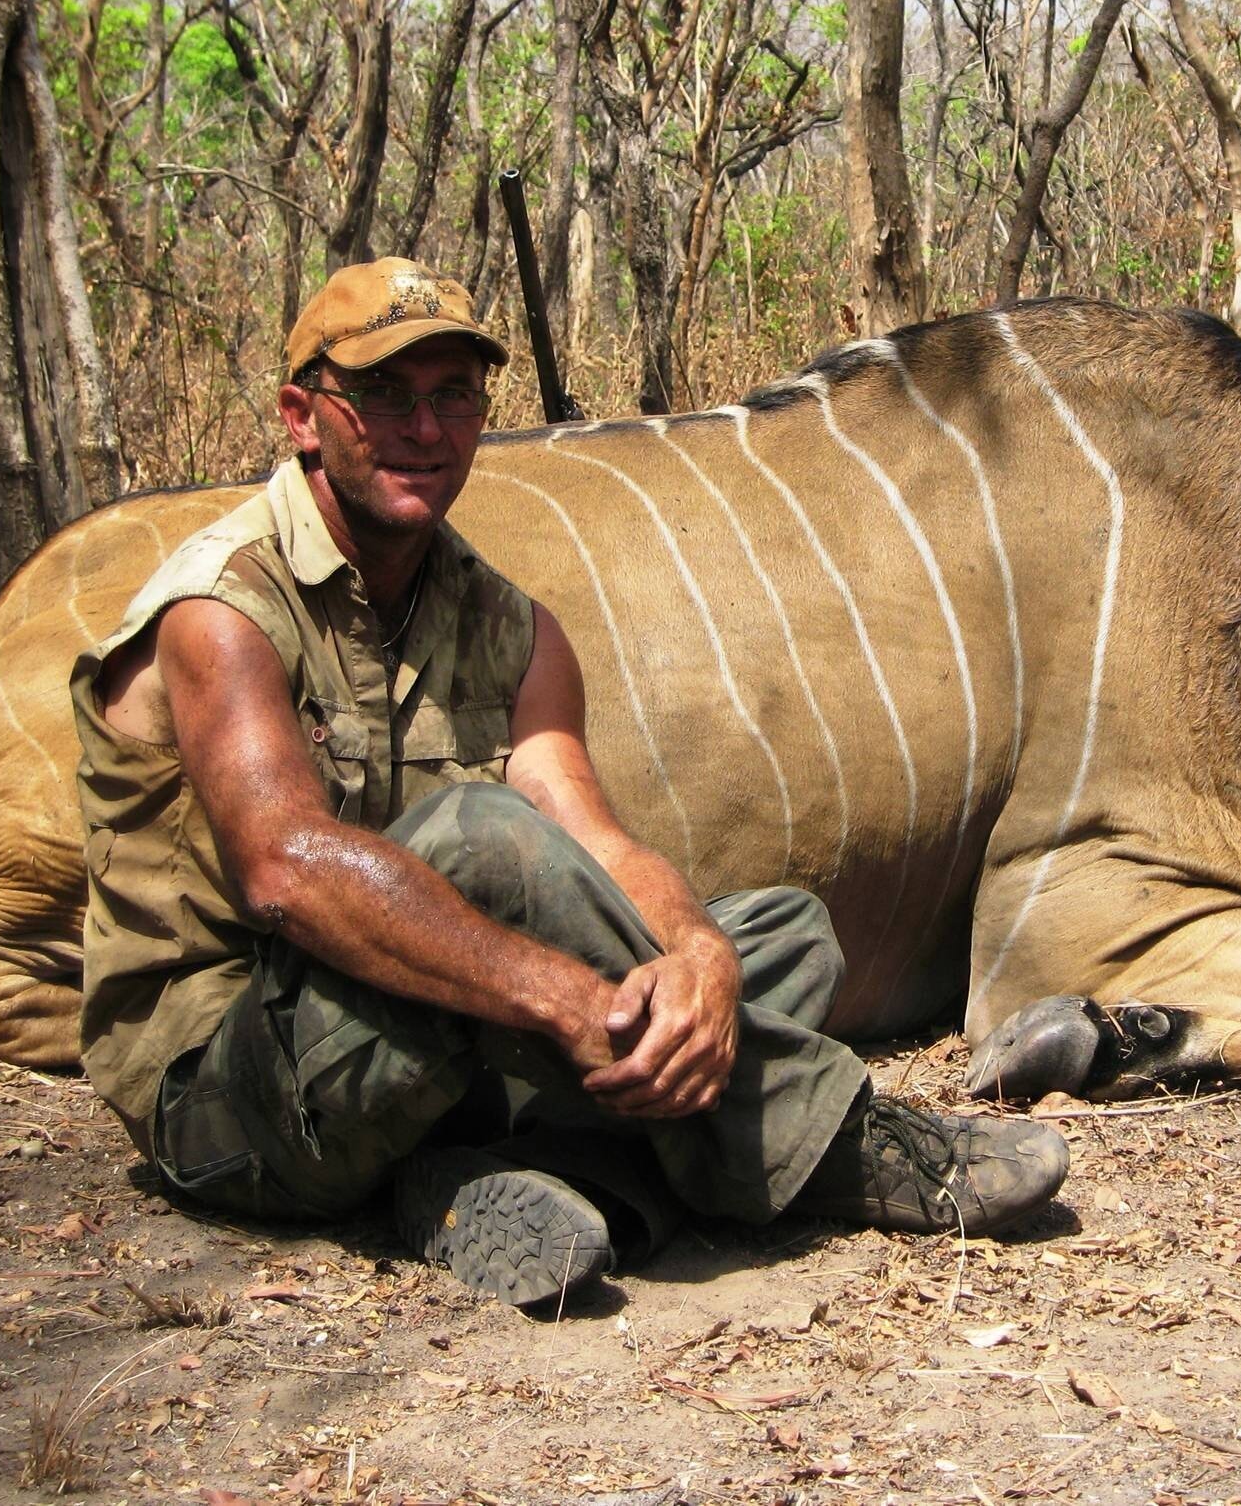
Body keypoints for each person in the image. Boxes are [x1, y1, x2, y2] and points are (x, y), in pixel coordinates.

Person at [70, 258, 1069, 1307]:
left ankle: (471, 1182)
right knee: (480, 839)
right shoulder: (219, 610)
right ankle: (833, 1142)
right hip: (232, 1088)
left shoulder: (507, 623)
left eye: (453, 395)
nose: (424, 427)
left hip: (420, 1037)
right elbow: (286, 869)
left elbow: (593, 837)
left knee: (783, 936)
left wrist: (698, 961)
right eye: (382, 397)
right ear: (301, 416)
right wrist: (564, 1000)